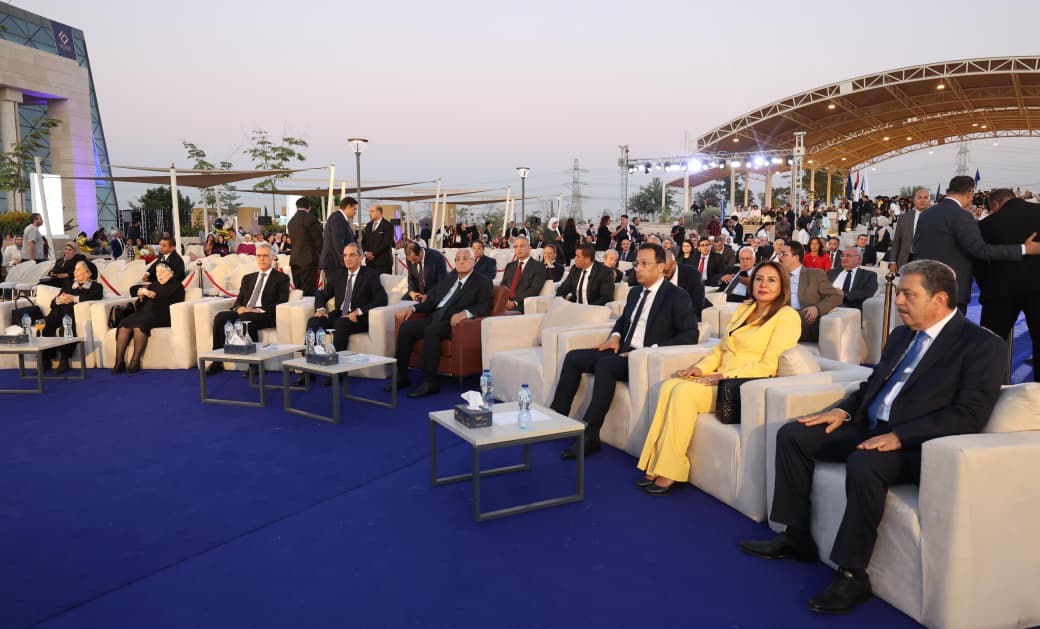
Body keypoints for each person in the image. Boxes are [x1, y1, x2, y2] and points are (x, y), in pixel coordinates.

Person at [739, 259, 1006, 615]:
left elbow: (970, 414)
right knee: (793, 434)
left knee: (864, 463)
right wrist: (844, 411)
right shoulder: (902, 335)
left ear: (940, 299)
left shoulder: (980, 345)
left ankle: (852, 574)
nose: (898, 301)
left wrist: (901, 436)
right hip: (868, 425)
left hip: (918, 443)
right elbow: (871, 386)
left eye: (908, 295)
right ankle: (796, 536)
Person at [636, 260, 801, 494]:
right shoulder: (745, 310)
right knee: (669, 385)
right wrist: (700, 369)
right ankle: (654, 462)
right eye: (759, 279)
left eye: (771, 280)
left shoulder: (787, 316)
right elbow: (720, 350)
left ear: (782, 286)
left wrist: (722, 376)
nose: (763, 284)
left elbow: (768, 366)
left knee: (683, 392)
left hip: (742, 384)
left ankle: (671, 470)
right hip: (719, 377)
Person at [548, 243, 699, 459]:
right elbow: (622, 320)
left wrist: (648, 351)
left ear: (660, 267)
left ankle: (591, 434)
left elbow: (690, 335)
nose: (638, 268)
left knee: (606, 365)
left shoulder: (676, 296)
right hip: (622, 351)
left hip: (644, 358)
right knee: (573, 357)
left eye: (645, 264)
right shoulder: (635, 292)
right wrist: (615, 336)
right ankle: (557, 419)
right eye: (637, 263)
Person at [913, 175, 1039, 313]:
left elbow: (917, 249)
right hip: (951, 290)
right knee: (950, 327)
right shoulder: (961, 215)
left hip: (924, 287)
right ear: (970, 192)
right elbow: (980, 250)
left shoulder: (926, 214)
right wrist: (1024, 249)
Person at [391, 249, 493, 398]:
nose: (461, 261)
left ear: (473, 261)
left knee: (432, 330)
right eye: (458, 259)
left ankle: (430, 381)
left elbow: (485, 305)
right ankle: (402, 375)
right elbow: (432, 301)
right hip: (434, 317)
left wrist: (466, 313)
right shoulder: (449, 278)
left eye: (465, 258)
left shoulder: (482, 281)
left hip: (453, 323)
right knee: (407, 327)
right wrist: (413, 308)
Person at [299, 243, 388, 386]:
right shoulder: (339, 274)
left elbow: (381, 299)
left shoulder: (370, 275)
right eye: (345, 255)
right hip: (340, 313)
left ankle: (337, 371)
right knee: (314, 321)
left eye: (352, 255)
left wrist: (358, 311)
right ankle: (308, 370)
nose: (347, 258)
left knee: (341, 323)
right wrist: (320, 309)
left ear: (360, 258)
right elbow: (322, 294)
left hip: (359, 318)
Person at [976, 192, 1040, 381]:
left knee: (989, 346)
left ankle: (986, 390)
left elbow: (979, 260)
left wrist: (987, 286)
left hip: (999, 291)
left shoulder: (986, 225)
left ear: (995, 204)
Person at [205, 244, 291, 375]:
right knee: (221, 317)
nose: (261, 259)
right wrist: (239, 308)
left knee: (247, 318)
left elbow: (281, 302)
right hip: (245, 312)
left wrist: (257, 310)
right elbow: (239, 300)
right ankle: (217, 361)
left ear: (272, 257)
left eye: (265, 256)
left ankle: (254, 365)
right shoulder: (248, 278)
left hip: (265, 314)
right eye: (259, 256)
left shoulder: (281, 278)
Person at [111, 262, 185, 374]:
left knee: (139, 326)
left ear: (171, 273)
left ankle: (135, 361)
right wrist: (141, 297)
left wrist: (156, 296)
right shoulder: (153, 285)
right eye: (157, 272)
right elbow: (139, 306)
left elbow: (173, 305)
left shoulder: (177, 286)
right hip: (143, 313)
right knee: (123, 326)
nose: (159, 274)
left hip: (162, 315)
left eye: (162, 272)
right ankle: (119, 361)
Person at [40, 261, 103, 373]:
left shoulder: (95, 286)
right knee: (45, 324)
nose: (75, 272)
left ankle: (64, 360)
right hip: (58, 312)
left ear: (88, 273)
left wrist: (74, 299)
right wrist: (58, 300)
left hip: (72, 314)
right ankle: (46, 360)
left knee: (67, 326)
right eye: (74, 269)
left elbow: (96, 295)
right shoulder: (68, 284)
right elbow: (52, 304)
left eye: (78, 270)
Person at [781, 242, 843, 342]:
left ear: (796, 257)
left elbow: (835, 296)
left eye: (784, 254)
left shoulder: (815, 274)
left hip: (804, 316)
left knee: (791, 318)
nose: (780, 257)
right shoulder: (777, 275)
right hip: (781, 313)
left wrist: (817, 308)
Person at [321, 196, 358, 297]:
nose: (355, 212)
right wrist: (346, 262)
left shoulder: (339, 218)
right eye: (354, 209)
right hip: (335, 264)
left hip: (336, 263)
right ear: (348, 207)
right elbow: (338, 244)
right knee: (336, 293)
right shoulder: (337, 219)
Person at [888, 188, 930, 274]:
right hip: (905, 259)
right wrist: (892, 261)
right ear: (914, 200)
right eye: (919, 197)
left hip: (926, 262)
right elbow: (896, 241)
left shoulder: (937, 218)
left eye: (926, 198)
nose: (922, 200)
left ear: (929, 200)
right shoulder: (904, 218)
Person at [287, 197, 323, 296]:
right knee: (308, 292)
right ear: (309, 207)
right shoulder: (311, 220)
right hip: (309, 260)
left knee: (298, 292)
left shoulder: (291, 222)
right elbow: (319, 241)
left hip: (294, 260)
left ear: (297, 206)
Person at [500, 236, 547, 313]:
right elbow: (503, 285)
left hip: (523, 304)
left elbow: (534, 289)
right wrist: (503, 300)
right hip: (505, 303)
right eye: (516, 246)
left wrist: (515, 302)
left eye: (522, 246)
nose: (519, 249)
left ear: (529, 248)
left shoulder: (539, 267)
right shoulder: (510, 266)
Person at [362, 206, 395, 276]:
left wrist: (373, 254)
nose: (369, 214)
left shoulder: (388, 225)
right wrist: (365, 252)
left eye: (372, 211)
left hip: (383, 264)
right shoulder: (368, 225)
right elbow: (363, 241)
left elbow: (386, 243)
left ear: (379, 212)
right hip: (370, 264)